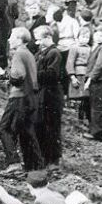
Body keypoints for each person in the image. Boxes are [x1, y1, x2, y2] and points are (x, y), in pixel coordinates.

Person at [0, 27, 43, 174]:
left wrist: (7, 76)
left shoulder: (18, 53)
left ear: (19, 39)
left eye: (12, 36)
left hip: (19, 97)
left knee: (5, 128)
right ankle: (36, 166)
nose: (9, 39)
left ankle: (14, 163)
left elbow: (18, 76)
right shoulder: (29, 54)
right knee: (26, 131)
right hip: (31, 97)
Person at [36, 29, 64, 168]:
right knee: (43, 126)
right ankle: (45, 157)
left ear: (47, 37)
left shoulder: (54, 53)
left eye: (39, 39)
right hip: (43, 94)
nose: (38, 43)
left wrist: (33, 73)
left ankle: (53, 160)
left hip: (52, 95)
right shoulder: (42, 52)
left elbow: (52, 74)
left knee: (52, 127)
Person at [83, 27, 102, 141]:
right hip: (96, 80)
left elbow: (100, 65)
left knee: (97, 106)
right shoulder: (95, 47)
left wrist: (90, 79)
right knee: (98, 105)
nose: (98, 37)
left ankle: (97, 133)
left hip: (99, 80)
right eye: (97, 34)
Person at [66, 25, 91, 109]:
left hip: (86, 74)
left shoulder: (90, 49)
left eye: (87, 37)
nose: (85, 39)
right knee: (77, 97)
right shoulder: (74, 47)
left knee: (86, 96)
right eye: (83, 37)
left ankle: (84, 116)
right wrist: (72, 77)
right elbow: (69, 62)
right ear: (78, 37)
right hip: (77, 74)